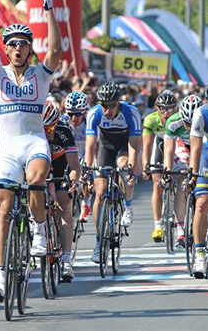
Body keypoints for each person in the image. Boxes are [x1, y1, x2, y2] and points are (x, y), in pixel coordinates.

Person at [0, 0, 61, 302]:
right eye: (12, 45)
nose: (18, 49)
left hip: (35, 142)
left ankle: (39, 231)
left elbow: (56, 50)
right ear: (7, 49)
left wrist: (49, 12)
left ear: (29, 48)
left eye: (23, 44)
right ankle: (0, 280)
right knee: (3, 212)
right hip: (9, 148)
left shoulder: (41, 75)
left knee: (36, 180)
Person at [85, 82, 141, 263]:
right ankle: (99, 240)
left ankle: (128, 204)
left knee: (123, 165)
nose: (108, 109)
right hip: (106, 147)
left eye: (112, 105)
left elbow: (134, 146)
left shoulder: (131, 113)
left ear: (119, 103)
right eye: (104, 105)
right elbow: (90, 145)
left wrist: (131, 168)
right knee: (100, 193)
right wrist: (87, 168)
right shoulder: (94, 113)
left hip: (125, 146)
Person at [43, 99, 81, 282]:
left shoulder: (63, 130)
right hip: (38, 161)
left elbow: (74, 165)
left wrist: (72, 182)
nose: (47, 133)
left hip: (60, 162)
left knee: (63, 203)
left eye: (50, 128)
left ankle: (66, 258)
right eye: (44, 129)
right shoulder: (31, 130)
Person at [161, 94, 202, 249]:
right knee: (180, 179)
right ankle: (181, 231)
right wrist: (167, 172)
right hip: (183, 146)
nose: (189, 127)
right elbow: (169, 151)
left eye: (193, 123)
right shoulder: (173, 122)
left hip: (201, 145)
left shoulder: (205, 118)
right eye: (186, 123)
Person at [142, 92, 178, 242]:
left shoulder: (180, 120)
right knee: (157, 184)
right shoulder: (151, 120)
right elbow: (147, 146)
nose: (165, 113)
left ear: (175, 109)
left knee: (180, 182)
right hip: (159, 148)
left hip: (177, 148)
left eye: (169, 109)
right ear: (157, 108)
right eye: (162, 109)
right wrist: (146, 165)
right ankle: (157, 225)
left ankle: (179, 218)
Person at [187, 91, 208, 278]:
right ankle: (200, 255)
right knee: (201, 202)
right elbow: (196, 147)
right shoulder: (201, 113)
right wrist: (193, 173)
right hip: (206, 155)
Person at [62, 91, 91, 222]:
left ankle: (86, 203)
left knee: (86, 176)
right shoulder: (63, 121)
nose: (74, 118)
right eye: (71, 114)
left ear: (84, 111)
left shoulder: (89, 121)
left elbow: (94, 147)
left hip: (86, 152)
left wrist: (89, 164)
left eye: (78, 114)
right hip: (69, 154)